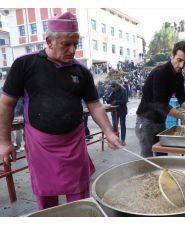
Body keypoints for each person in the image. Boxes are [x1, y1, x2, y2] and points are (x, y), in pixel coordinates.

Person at [0, 12, 120, 210]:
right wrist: (4, 141)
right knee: (47, 200)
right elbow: (6, 104)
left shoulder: (81, 71)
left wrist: (108, 131)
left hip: (74, 144)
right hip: (40, 145)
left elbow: (95, 104)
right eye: (66, 44)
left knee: (80, 197)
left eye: (76, 43)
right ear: (49, 41)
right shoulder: (25, 64)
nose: (73, 50)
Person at [135, 41, 185, 157]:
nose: (182, 65)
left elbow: (182, 99)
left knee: (162, 155)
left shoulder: (179, 76)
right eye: (179, 60)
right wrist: (184, 116)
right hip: (146, 120)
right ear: (172, 56)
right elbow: (160, 104)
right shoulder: (160, 73)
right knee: (147, 156)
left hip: (161, 120)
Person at [106, 80, 128, 146]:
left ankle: (123, 140)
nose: (113, 88)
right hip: (114, 111)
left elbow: (124, 101)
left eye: (114, 87)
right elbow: (108, 101)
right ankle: (116, 139)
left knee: (122, 124)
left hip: (122, 110)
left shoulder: (123, 90)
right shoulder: (111, 90)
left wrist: (116, 101)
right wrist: (109, 98)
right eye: (112, 87)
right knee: (114, 125)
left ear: (117, 86)